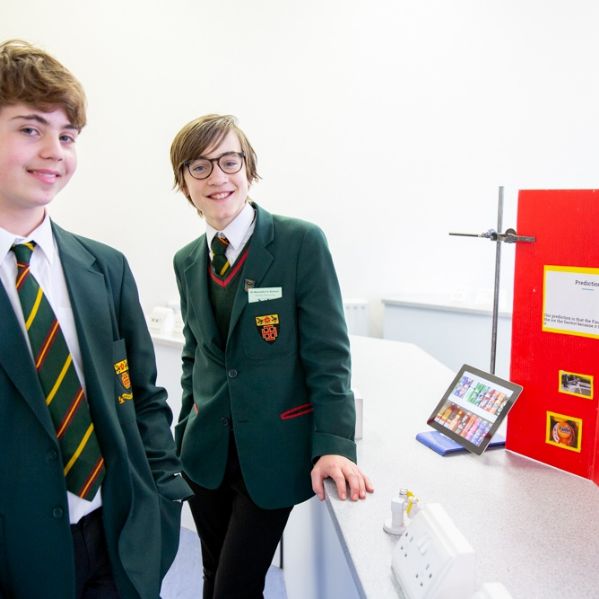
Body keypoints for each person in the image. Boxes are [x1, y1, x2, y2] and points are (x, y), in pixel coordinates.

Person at [0, 39, 191, 598]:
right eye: (30, 129)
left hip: (118, 538)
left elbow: (144, 395)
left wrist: (164, 496)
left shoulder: (104, 267)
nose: (54, 152)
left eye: (68, 136)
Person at [170, 113, 374, 598]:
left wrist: (335, 443)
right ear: (184, 182)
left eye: (229, 161)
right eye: (199, 167)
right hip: (205, 454)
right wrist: (183, 429)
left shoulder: (299, 242)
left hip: (273, 453)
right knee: (212, 576)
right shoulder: (187, 260)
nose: (217, 177)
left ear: (249, 168)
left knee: (235, 587)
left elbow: (329, 355)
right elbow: (194, 354)